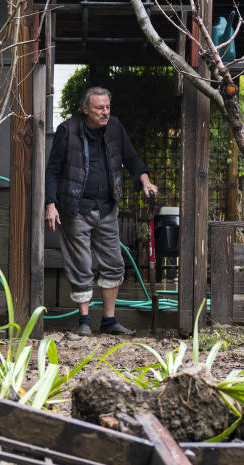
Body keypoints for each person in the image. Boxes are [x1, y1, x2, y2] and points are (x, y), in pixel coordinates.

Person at [44, 87, 158, 336]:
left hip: (107, 208)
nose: (105, 112)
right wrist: (50, 204)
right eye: (99, 108)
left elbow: (131, 158)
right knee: (81, 264)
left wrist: (145, 182)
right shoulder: (68, 130)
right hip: (75, 208)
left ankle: (109, 321)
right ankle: (84, 321)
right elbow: (52, 170)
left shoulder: (115, 128)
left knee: (114, 263)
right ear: (86, 109)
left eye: (107, 107)